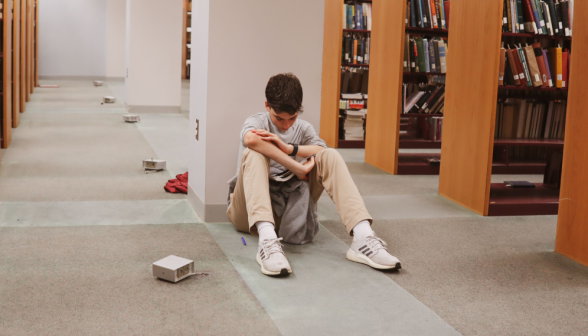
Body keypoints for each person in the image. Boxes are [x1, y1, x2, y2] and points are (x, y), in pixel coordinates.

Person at [227, 73, 401, 276]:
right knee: (254, 153)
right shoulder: (257, 121)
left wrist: (288, 148)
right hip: (247, 212)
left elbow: (321, 151)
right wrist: (296, 167)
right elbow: (251, 141)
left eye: (292, 118)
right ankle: (267, 241)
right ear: (267, 105)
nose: (286, 125)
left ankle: (362, 236)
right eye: (279, 119)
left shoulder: (303, 128)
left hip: (288, 205)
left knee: (331, 155)